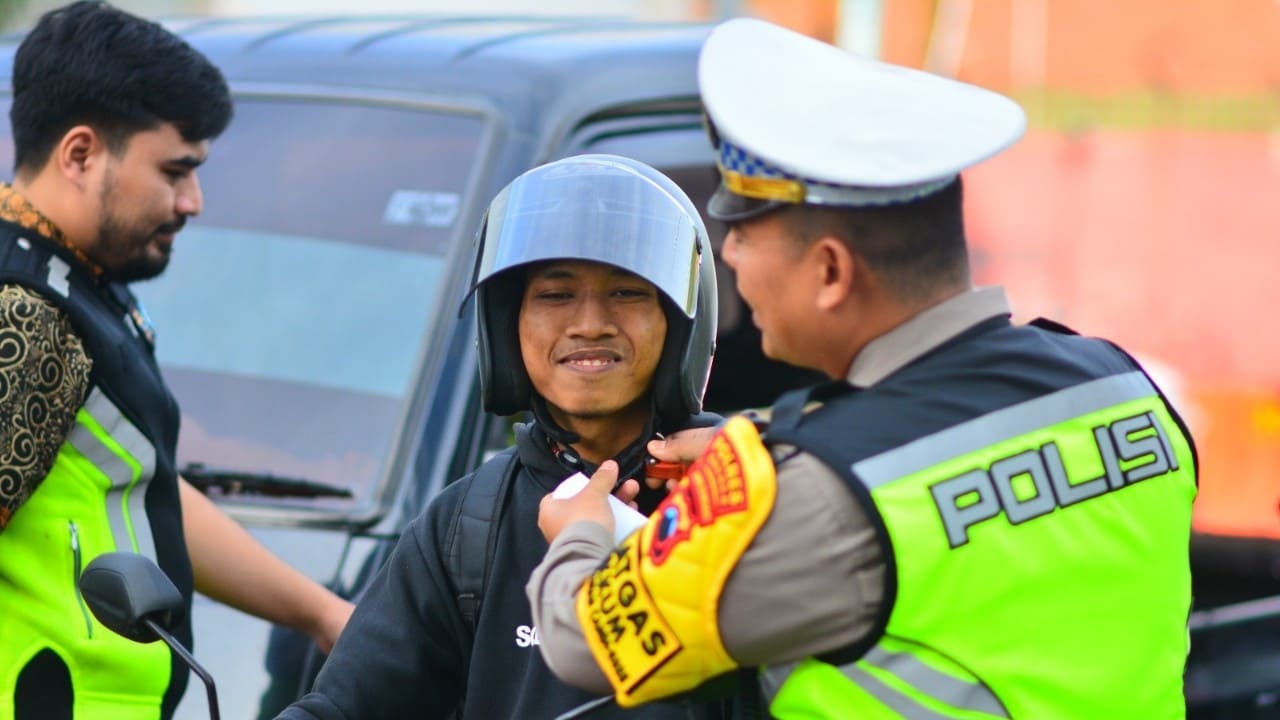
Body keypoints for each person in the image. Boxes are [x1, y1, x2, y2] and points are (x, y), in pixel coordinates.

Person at [528, 18, 1198, 720]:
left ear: (829, 272)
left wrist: (580, 531)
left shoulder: (815, 499)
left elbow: (585, 641)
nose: (728, 258)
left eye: (745, 234)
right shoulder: (1122, 388)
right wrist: (760, 441)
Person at [276, 154, 730, 719]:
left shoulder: (744, 494)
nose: (589, 322)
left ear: (680, 321)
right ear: (506, 326)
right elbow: (346, 709)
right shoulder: (468, 523)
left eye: (628, 293)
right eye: (556, 295)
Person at [0, 3, 353, 719]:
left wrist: (323, 615)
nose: (193, 201)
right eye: (175, 170)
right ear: (79, 154)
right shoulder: (24, 312)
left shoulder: (79, 285)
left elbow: (143, 490)